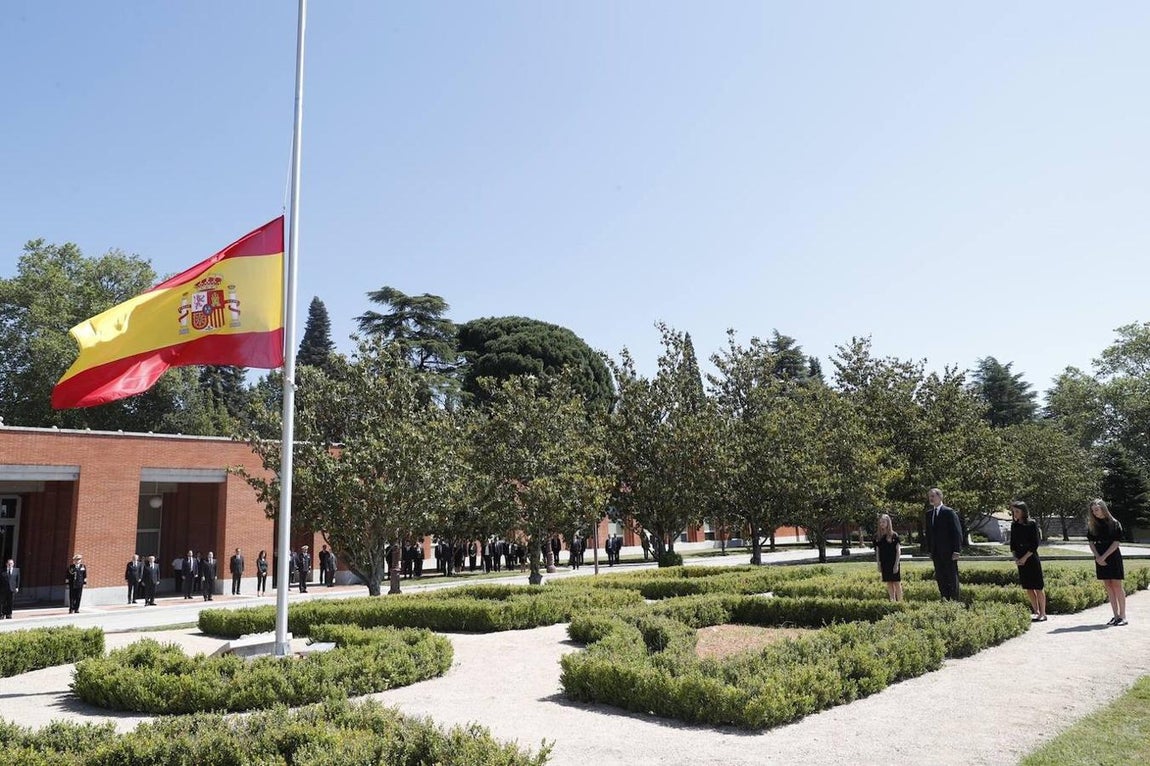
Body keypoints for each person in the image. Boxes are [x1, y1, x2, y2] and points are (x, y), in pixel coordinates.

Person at [1087, 498, 1126, 626]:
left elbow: (1116, 543)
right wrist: (1098, 557)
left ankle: (1123, 616)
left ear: (1103, 508)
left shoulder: (1114, 523)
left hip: (1112, 556)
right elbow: (1091, 543)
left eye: (1097, 509)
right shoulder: (1093, 525)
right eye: (1093, 511)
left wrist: (1103, 557)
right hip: (1099, 557)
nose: (1095, 512)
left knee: (1116, 586)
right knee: (1108, 587)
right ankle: (1115, 616)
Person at [1009, 501, 1046, 622]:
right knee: (1028, 587)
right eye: (1013, 511)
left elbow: (1035, 544)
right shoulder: (1014, 525)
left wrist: (1024, 558)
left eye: (1017, 511)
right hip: (1020, 558)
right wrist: (1016, 558)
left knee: (1038, 587)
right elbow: (1012, 544)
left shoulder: (1032, 523)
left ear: (1023, 511)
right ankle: (1036, 611)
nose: (1015, 514)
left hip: (1031, 558)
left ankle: (1043, 613)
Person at [924, 488, 962, 600]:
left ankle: (954, 600)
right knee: (940, 577)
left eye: (933, 496)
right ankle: (944, 598)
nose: (930, 498)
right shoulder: (929, 514)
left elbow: (957, 532)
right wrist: (930, 550)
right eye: (929, 496)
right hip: (936, 552)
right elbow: (929, 533)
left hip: (949, 552)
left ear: (940, 497)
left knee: (951, 576)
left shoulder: (949, 512)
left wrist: (957, 550)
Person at [874, 514, 903, 602]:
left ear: (888, 523)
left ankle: (900, 602)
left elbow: (898, 551)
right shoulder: (878, 536)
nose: (882, 524)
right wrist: (878, 564)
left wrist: (896, 564)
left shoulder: (894, 535)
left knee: (896, 582)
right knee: (889, 582)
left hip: (893, 562)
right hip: (884, 562)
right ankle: (892, 601)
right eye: (880, 522)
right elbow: (877, 551)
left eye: (883, 522)